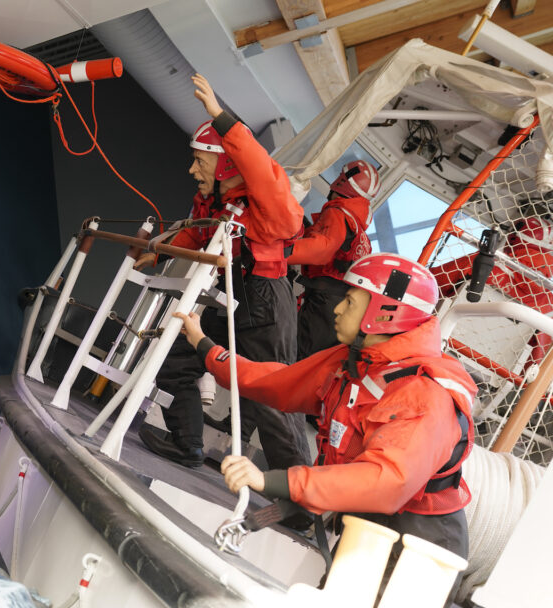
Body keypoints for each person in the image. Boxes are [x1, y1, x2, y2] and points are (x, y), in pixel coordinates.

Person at [174, 253, 475, 573]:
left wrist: (271, 481)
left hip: (418, 550)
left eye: (349, 301)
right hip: (369, 525)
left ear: (384, 313)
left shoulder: (424, 394)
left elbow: (386, 481)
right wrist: (206, 347)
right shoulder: (357, 363)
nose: (337, 309)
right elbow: (276, 383)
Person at [136, 73, 310, 471]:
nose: (192, 169)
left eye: (200, 160)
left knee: (272, 398)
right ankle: (188, 446)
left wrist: (221, 118)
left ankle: (300, 503)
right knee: (177, 361)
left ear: (225, 163)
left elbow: (263, 173)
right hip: (228, 293)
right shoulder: (213, 201)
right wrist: (158, 252)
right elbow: (198, 236)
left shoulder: (271, 207)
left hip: (266, 305)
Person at [290, 160, 378, 360]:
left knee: (296, 358)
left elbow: (321, 249)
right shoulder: (360, 231)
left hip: (323, 303)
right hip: (343, 308)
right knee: (313, 364)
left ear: (341, 181)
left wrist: (276, 252)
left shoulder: (338, 213)